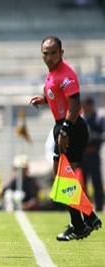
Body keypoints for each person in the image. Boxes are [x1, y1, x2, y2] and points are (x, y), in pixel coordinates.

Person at [29, 36, 101, 241]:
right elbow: (57, 96)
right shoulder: (52, 74)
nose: (49, 57)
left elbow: (75, 104)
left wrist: (64, 131)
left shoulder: (66, 73)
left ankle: (82, 222)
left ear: (61, 53)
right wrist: (43, 100)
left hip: (71, 127)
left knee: (61, 178)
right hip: (64, 126)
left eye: (53, 52)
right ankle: (86, 219)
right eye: (45, 53)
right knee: (61, 178)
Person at [79, 96, 105, 211]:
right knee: (82, 182)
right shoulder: (81, 119)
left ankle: (99, 206)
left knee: (96, 182)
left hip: (93, 155)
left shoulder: (99, 119)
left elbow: (103, 135)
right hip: (82, 156)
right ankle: (86, 207)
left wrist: (94, 140)